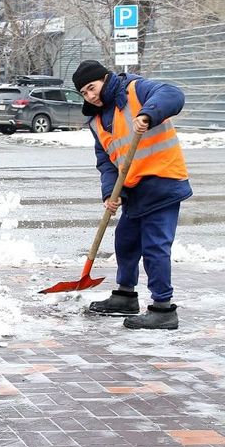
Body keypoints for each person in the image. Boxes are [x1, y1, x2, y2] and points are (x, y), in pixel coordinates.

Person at [73, 60, 191, 330]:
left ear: (105, 79)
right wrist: (110, 193)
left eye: (92, 87)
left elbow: (173, 94)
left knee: (154, 247)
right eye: (84, 92)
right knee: (125, 242)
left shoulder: (136, 90)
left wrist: (148, 114)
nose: (90, 95)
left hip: (163, 180)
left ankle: (163, 308)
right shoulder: (96, 121)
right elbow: (107, 162)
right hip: (134, 188)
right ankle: (126, 296)